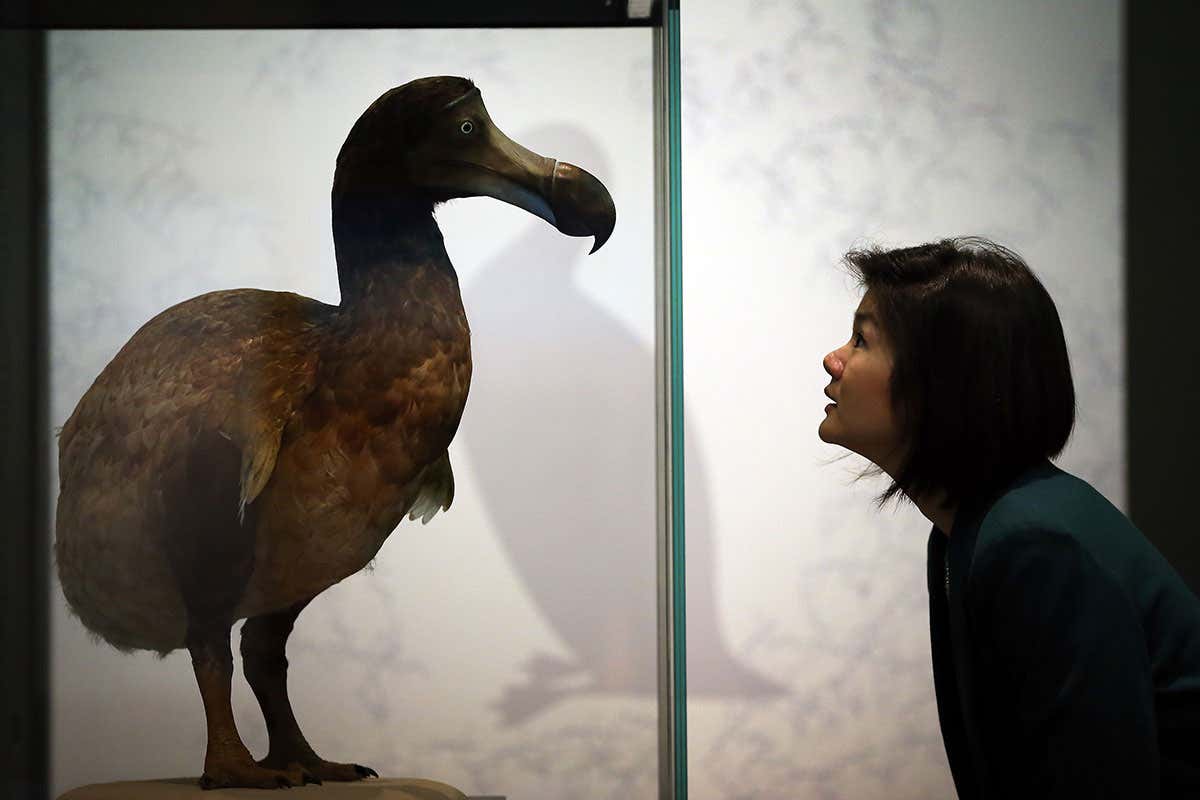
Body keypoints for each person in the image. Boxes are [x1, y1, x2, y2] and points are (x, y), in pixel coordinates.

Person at [818, 236, 1200, 799]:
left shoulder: (1032, 541)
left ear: (939, 383)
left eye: (862, 339)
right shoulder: (970, 530)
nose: (835, 358)